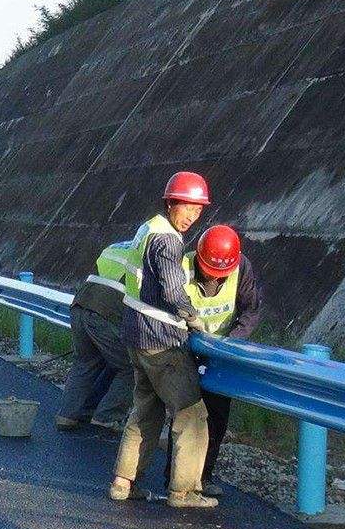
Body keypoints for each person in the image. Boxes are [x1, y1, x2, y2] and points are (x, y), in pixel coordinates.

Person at [109, 171, 215, 510]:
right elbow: (171, 290)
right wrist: (194, 318)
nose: (191, 217)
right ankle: (184, 492)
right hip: (161, 341)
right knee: (191, 413)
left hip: (135, 336)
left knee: (146, 409)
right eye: (187, 208)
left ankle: (123, 482)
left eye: (198, 211)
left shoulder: (147, 228)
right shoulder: (169, 241)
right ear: (171, 203)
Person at [163, 224, 262, 496]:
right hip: (186, 346)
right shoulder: (182, 267)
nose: (215, 278)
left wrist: (230, 342)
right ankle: (175, 476)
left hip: (221, 351)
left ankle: (203, 478)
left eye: (221, 274)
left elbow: (250, 311)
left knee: (216, 417)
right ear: (199, 256)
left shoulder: (240, 266)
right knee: (185, 413)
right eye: (209, 272)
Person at [55, 241, 135, 431]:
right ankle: (107, 417)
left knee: (85, 361)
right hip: (105, 312)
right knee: (131, 367)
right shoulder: (151, 254)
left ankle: (67, 415)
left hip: (81, 303)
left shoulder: (117, 246)